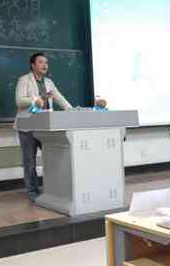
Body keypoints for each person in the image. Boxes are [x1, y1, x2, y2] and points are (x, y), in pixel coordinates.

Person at [14, 52, 106, 202]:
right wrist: (37, 98)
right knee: (30, 162)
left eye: (46, 62)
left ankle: (52, 188)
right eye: (41, 62)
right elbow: (19, 101)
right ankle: (32, 191)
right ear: (33, 65)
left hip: (45, 127)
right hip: (27, 126)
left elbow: (60, 98)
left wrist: (73, 111)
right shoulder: (24, 80)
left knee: (53, 158)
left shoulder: (48, 82)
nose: (45, 65)